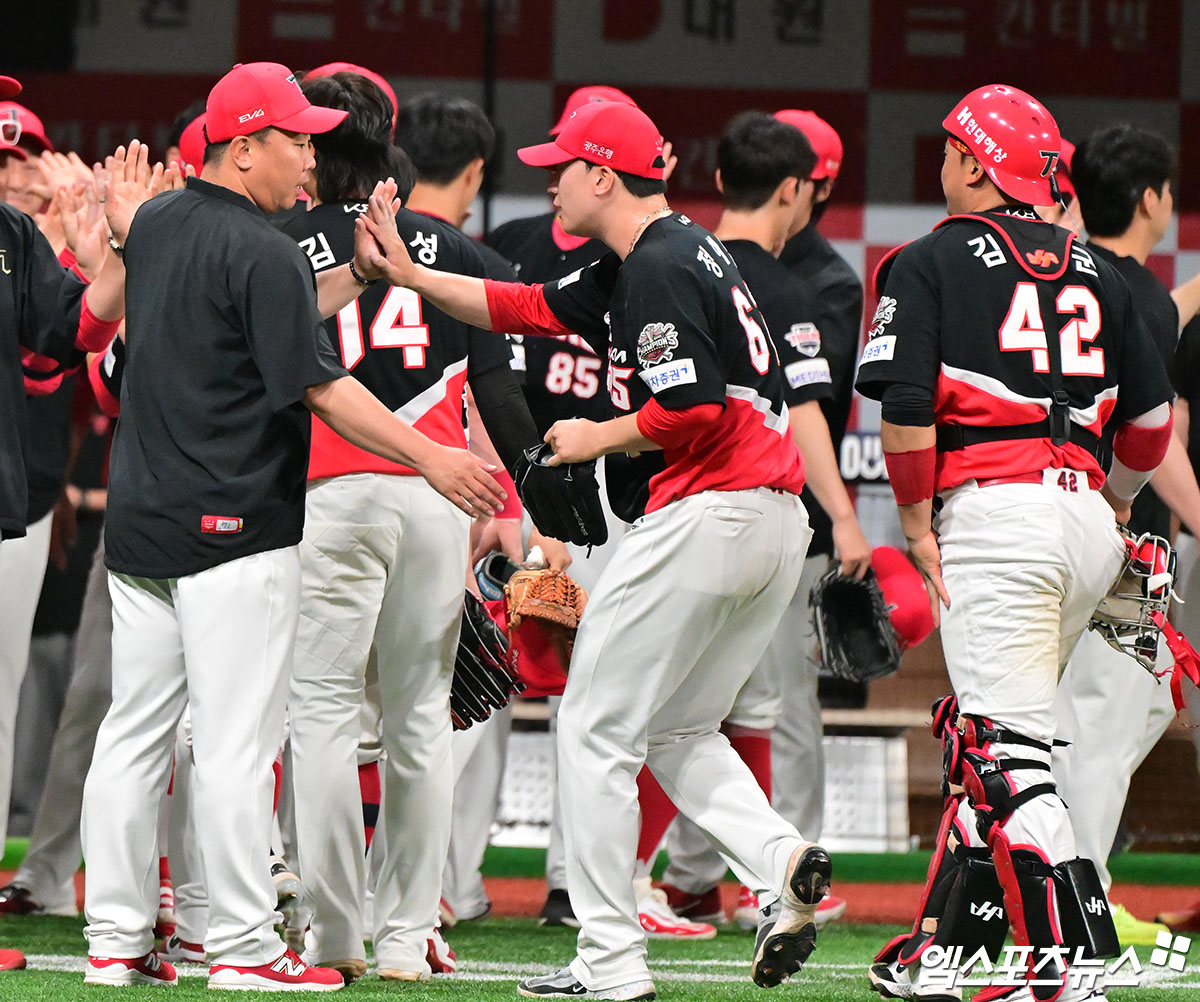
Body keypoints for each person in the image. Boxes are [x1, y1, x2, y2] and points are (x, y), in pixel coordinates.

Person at [366, 98, 833, 1000]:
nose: (550, 183)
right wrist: (411, 275)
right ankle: (781, 861)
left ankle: (609, 962)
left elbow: (691, 407)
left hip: (711, 512)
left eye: (563, 167)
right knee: (677, 728)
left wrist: (594, 437)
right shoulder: (663, 252)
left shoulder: (657, 264)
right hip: (772, 522)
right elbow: (520, 306)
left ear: (604, 175)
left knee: (591, 728)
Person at [79, 60, 504, 992]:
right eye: (294, 139)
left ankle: (114, 939)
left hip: (142, 524)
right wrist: (430, 457)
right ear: (244, 148)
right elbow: (320, 385)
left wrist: (356, 273)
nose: (311, 157)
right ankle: (241, 948)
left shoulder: (155, 225)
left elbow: (254, 315)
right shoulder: (262, 249)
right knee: (236, 745)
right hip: (232, 529)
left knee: (134, 734)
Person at [856, 85, 1175, 1002]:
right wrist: (1112, 505)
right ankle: (938, 960)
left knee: (1005, 757)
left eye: (951, 148)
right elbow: (1151, 426)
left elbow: (907, 411)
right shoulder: (1101, 269)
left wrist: (912, 525)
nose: (943, 161)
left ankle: (1073, 969)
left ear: (974, 163)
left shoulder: (926, 260)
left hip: (998, 520)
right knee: (995, 742)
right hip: (1084, 524)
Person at [283, 70, 547, 984]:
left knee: (322, 717)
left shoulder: (279, 243)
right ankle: (404, 936)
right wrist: (529, 500)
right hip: (439, 494)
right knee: (421, 723)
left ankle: (333, 935)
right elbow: (501, 396)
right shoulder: (457, 250)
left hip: (326, 494)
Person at [651, 110, 870, 930]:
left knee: (672, 708)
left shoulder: (675, 259)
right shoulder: (785, 286)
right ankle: (756, 875)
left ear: (717, 179)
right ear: (797, 188)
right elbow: (806, 408)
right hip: (768, 513)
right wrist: (844, 516)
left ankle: (691, 877)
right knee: (731, 708)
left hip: (675, 509)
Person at [1052, 123, 1200, 947]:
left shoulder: (1070, 274)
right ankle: (1081, 901)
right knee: (1103, 722)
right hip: (1114, 533)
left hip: (1050, 525)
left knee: (1121, 706)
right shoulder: (1133, 291)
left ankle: (1051, 881)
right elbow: (1154, 432)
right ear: (1150, 199)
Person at [0, 68, 128, 974]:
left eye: (22, 155)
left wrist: (106, 252)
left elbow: (74, 334)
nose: (13, 170)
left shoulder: (14, 240)